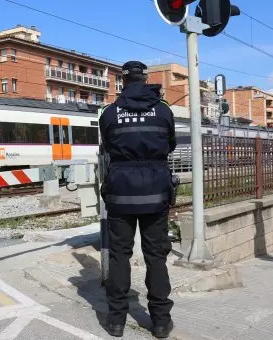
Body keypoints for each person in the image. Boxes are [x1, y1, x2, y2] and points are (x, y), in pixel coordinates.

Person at [98, 61, 177, 338]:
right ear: (145, 79)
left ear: (122, 81)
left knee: (120, 255)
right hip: (156, 192)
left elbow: (108, 147)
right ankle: (160, 321)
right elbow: (170, 145)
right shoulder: (163, 110)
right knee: (156, 256)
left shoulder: (109, 113)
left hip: (121, 192)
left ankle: (117, 321)